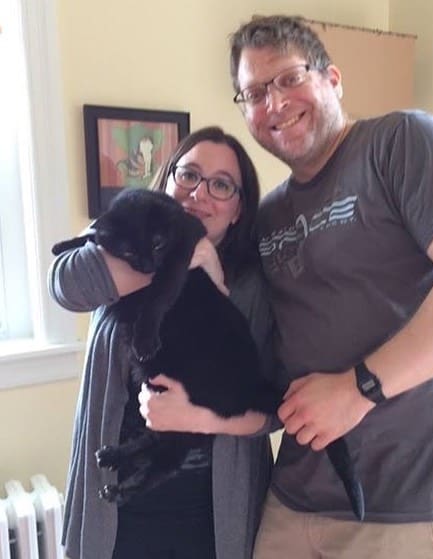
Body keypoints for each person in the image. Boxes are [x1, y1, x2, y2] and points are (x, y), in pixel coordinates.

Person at [228, 14, 433, 559]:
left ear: (332, 79)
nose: (273, 103)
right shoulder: (268, 215)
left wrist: (358, 388)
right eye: (253, 93)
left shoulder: (402, 143)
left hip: (413, 504)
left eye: (289, 79)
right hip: (296, 495)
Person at [48, 126, 279, 559]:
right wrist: (184, 254)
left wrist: (203, 419)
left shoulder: (253, 287)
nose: (199, 193)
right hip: (114, 512)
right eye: (188, 175)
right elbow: (65, 285)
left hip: (211, 515)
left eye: (221, 185)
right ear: (167, 181)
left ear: (238, 209)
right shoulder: (122, 246)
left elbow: (273, 410)